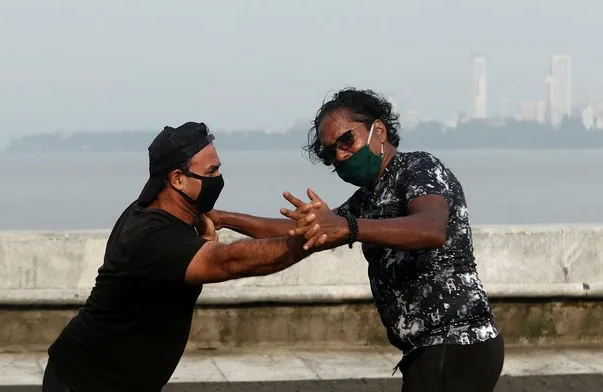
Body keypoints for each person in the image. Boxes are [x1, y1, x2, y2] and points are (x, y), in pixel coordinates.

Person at [207, 88, 505, 392]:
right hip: (424, 349)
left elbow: (431, 228)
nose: (340, 155)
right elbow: (297, 230)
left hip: (458, 341)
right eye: (329, 153)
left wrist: (350, 227)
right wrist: (224, 218)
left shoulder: (418, 169)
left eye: (346, 140)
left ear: (379, 130)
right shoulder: (367, 199)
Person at [42, 122, 316, 392]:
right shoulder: (150, 237)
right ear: (177, 179)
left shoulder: (167, 208)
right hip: (83, 381)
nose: (218, 177)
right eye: (212, 170)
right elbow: (229, 261)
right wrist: (311, 240)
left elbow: (220, 220)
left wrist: (318, 226)